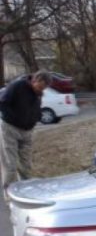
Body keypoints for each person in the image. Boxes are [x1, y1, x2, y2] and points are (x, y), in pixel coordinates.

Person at [0, 70, 52, 199]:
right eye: (40, 87)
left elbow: (36, 108)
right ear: (35, 80)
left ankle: (26, 190)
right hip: (10, 128)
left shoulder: (39, 93)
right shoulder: (17, 86)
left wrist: (36, 117)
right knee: (10, 164)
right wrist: (14, 118)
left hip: (27, 131)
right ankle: (9, 193)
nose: (41, 90)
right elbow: (2, 103)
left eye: (44, 88)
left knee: (26, 164)